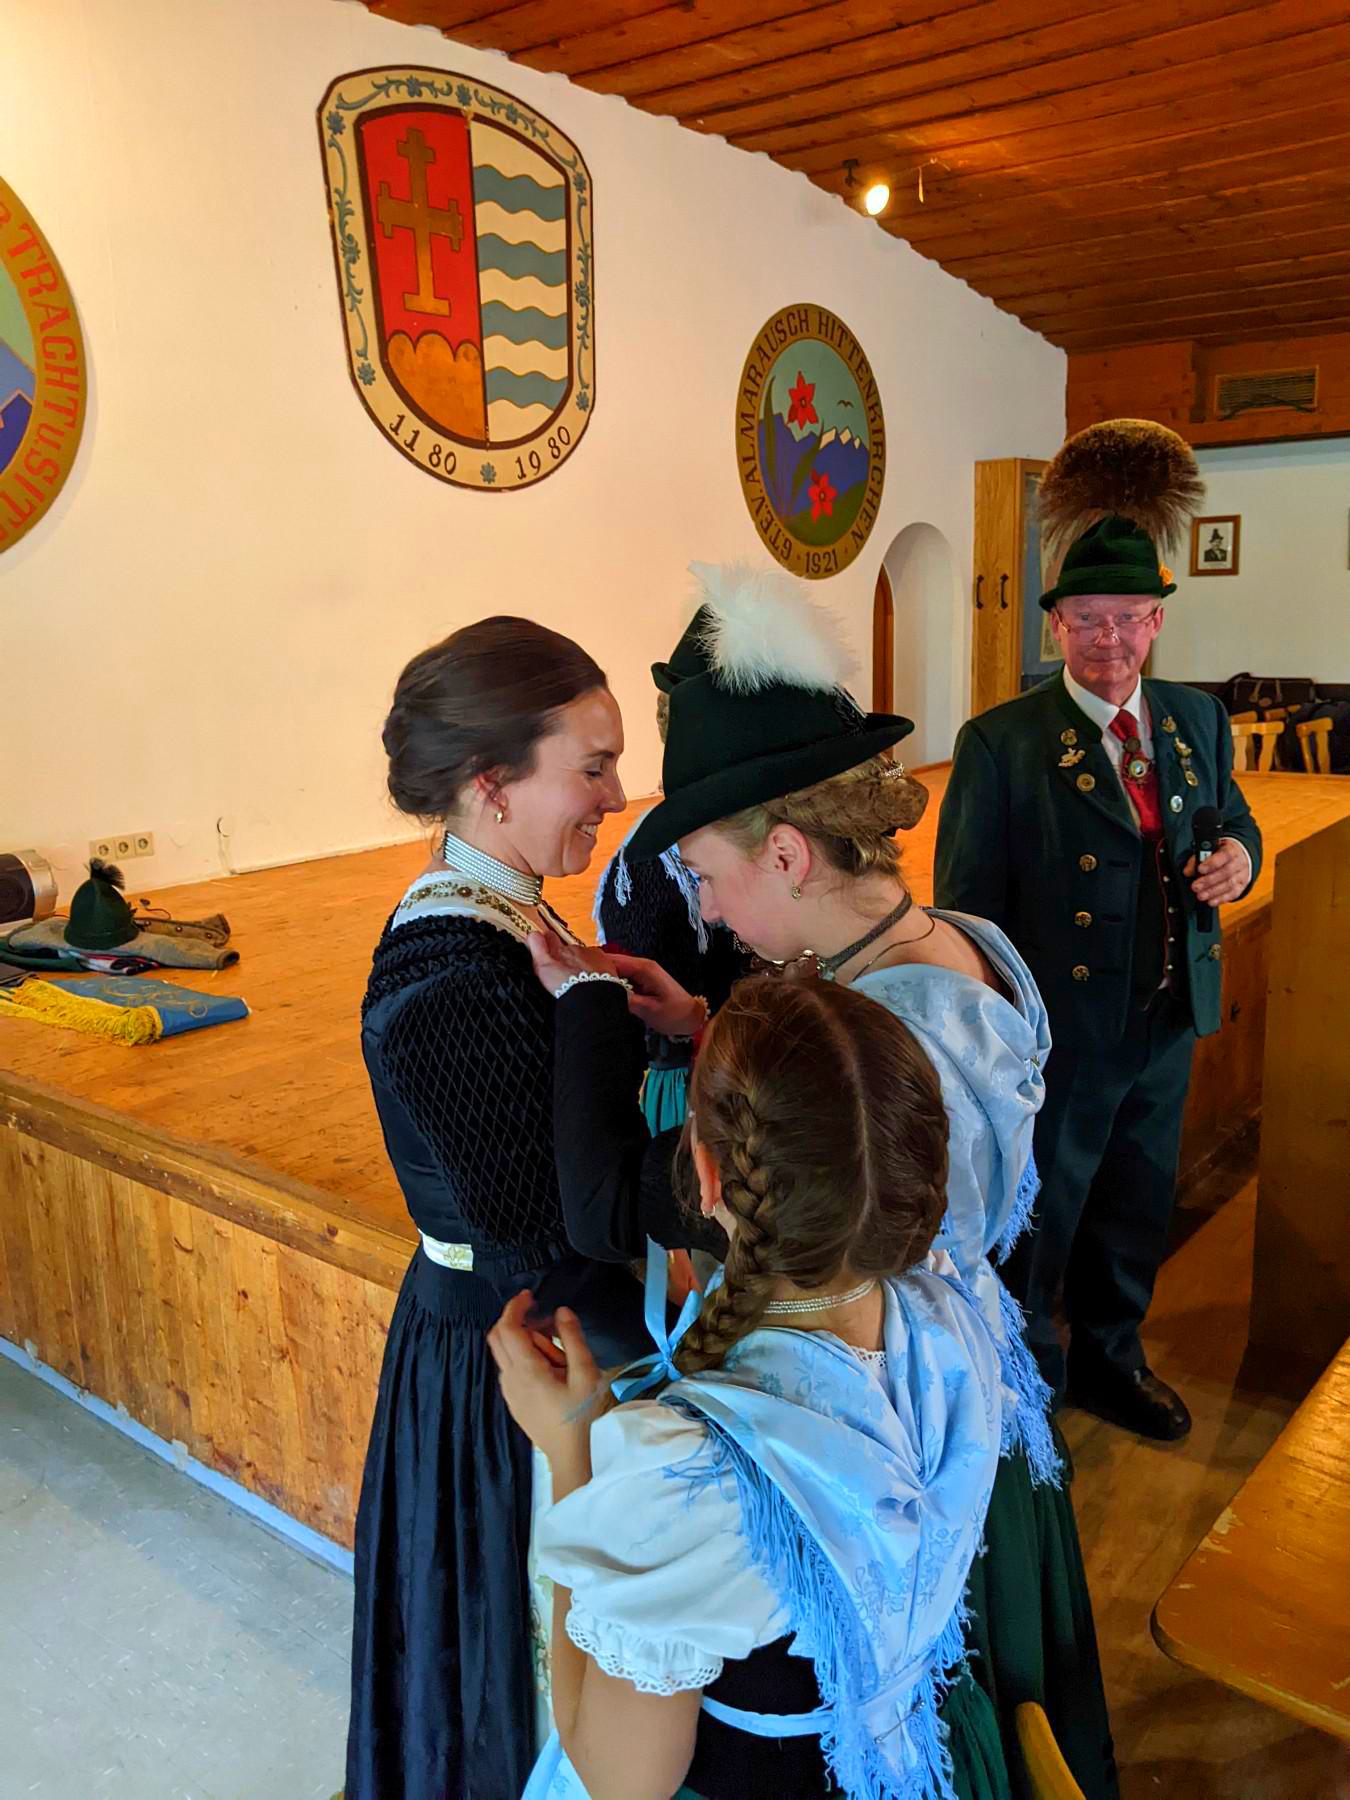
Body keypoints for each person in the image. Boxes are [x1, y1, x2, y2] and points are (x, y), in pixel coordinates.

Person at [529, 566, 1118, 1798]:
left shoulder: (889, 1037)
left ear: (788, 852)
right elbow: (854, 1114)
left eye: (705, 872)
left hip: (871, 1464)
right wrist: (710, 1028)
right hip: (950, 1400)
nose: (705, 906)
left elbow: (831, 1176)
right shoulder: (954, 948)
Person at [490, 976, 1011, 1800]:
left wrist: (572, 1449)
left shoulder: (689, 1481)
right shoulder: (957, 1316)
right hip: (930, 1759)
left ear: (703, 1175)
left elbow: (618, 1781)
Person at [346, 617, 701, 1800]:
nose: (616, 794)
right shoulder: (453, 971)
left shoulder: (509, 915)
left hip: (537, 1341)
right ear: (493, 783)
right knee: (520, 1672)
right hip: (517, 1363)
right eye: (592, 767)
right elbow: (547, 1238)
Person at [935, 421, 1262, 1444]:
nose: (1107, 639)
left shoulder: (1196, 721)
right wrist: (996, 1045)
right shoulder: (1002, 743)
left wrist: (1239, 859)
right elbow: (967, 912)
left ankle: (1113, 1358)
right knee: (1044, 1216)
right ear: (1057, 624)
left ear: (1157, 621)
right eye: (1086, 619)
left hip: (1167, 1013)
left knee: (1135, 1203)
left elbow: (1234, 821)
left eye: (1127, 618)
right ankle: (1024, 1384)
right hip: (1060, 1037)